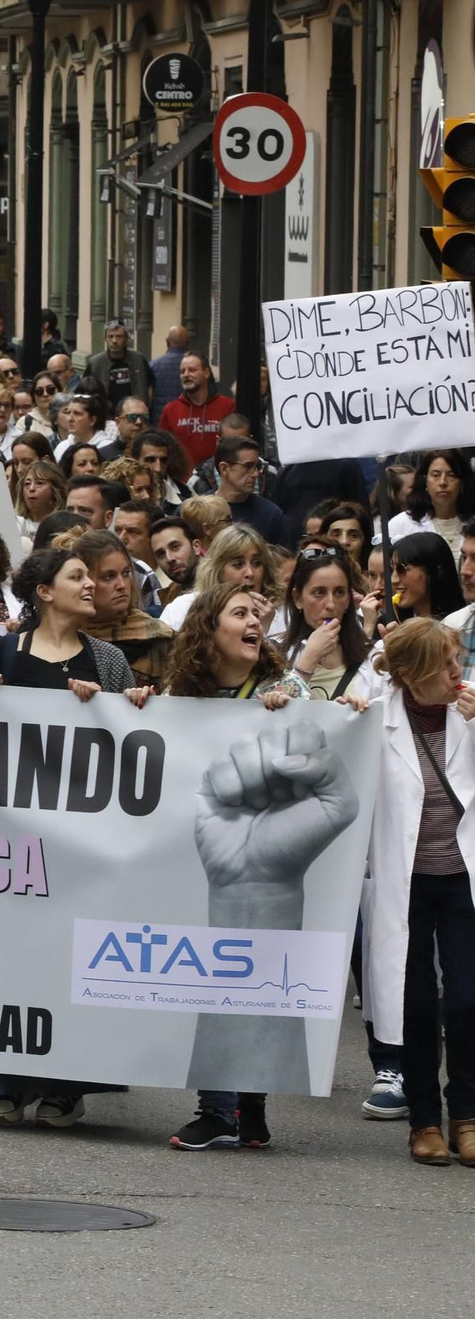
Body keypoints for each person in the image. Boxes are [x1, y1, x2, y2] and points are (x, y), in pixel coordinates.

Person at [0, 548, 146, 1126]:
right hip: (13, 842)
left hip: (82, 844)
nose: (91, 585)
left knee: (75, 963)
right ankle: (7, 1080)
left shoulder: (108, 660)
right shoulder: (4, 652)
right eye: (78, 577)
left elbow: (133, 740)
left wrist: (131, 703)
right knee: (13, 962)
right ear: (44, 591)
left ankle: (67, 1083)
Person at [156, 583, 318, 1150]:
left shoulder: (284, 686)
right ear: (210, 628)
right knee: (218, 975)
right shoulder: (179, 694)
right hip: (204, 856)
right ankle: (233, 1108)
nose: (255, 622)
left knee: (247, 977)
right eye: (240, 613)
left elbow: (327, 738)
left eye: (259, 614)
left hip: (262, 862)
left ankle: (236, 1107)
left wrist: (307, 709)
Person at [362, 618, 475, 1167]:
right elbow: (306, 730)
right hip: (404, 881)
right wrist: (292, 687)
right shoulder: (371, 716)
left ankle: (468, 1117)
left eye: (458, 661)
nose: (458, 673)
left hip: (463, 879)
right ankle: (425, 1121)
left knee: (468, 999)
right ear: (409, 675)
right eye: (446, 665)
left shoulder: (471, 713)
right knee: (416, 1002)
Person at [69, 529, 174, 689]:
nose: (122, 585)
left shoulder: (158, 637)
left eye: (126, 573)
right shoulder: (62, 638)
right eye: (108, 577)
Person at [284, 543, 383, 701]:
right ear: (297, 598)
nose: (330, 604)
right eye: (319, 593)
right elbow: (273, 718)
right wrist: (307, 661)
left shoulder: (376, 655)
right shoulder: (275, 654)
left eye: (339, 592)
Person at [160, 523, 283, 632]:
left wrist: (264, 630)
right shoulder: (181, 609)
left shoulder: (275, 617)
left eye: (257, 563)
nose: (250, 573)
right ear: (217, 570)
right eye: (238, 564)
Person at [161, 353, 236, 470]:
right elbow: (162, 449)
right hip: (182, 480)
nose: (186, 375)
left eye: (191, 370)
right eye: (182, 371)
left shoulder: (228, 406)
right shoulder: (170, 410)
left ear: (206, 373)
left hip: (217, 479)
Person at [388, 449, 474, 552]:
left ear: (462, 482)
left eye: (451, 475)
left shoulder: (472, 520)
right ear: (425, 481)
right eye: (436, 475)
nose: (443, 482)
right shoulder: (400, 524)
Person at [211, 434, 289, 546]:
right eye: (248, 466)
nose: (255, 474)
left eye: (257, 466)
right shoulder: (198, 511)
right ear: (224, 468)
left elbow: (285, 561)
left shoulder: (271, 515)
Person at [86, 320, 151, 405]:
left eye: (119, 336)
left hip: (133, 412)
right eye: (110, 336)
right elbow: (86, 391)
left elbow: (150, 386)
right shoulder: (95, 363)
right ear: (105, 339)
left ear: (126, 339)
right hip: (106, 413)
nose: (114, 341)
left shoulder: (138, 360)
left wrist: (145, 407)